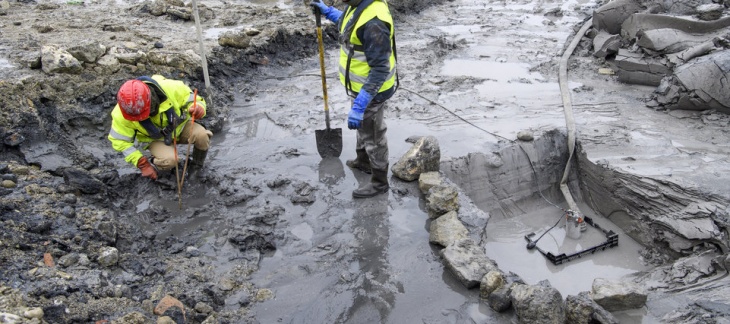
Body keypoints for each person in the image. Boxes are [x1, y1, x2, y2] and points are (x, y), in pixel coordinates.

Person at [310, 0, 398, 198]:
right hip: (361, 87)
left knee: (374, 136)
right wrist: (329, 12)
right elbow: (349, 23)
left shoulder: (375, 23)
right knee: (364, 128)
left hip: (372, 90)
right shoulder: (358, 5)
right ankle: (363, 161)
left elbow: (380, 69)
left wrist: (361, 104)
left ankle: (379, 182)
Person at [108, 75, 213, 180]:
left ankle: (196, 166)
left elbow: (195, 100)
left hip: (180, 128)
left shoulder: (171, 87)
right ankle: (156, 162)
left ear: (151, 99)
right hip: (155, 139)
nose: (139, 118)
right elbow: (120, 142)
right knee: (170, 160)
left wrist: (198, 107)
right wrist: (142, 164)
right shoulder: (121, 114)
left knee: (202, 136)